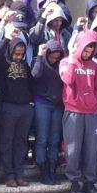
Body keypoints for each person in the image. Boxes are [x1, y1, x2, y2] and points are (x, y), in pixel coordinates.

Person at [60, 31, 97, 193]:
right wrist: (72, 59)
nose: (87, 53)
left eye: (90, 51)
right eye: (85, 50)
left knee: (92, 150)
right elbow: (68, 80)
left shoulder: (95, 66)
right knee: (73, 149)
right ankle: (74, 183)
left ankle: (89, 183)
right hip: (73, 112)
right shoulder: (66, 62)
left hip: (93, 113)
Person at [0, 34, 34, 187]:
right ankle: (9, 175)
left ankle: (19, 173)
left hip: (25, 108)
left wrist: (30, 103)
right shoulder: (3, 63)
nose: (18, 57)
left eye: (21, 54)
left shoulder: (25, 65)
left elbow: (32, 83)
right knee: (7, 141)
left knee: (21, 142)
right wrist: (7, 37)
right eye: (16, 53)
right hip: (8, 107)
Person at [31, 41, 65, 185]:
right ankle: (43, 169)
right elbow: (35, 74)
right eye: (52, 57)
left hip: (57, 105)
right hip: (42, 103)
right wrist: (40, 56)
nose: (54, 60)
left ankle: (52, 169)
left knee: (54, 140)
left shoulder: (61, 65)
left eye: (57, 57)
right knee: (42, 138)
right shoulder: (39, 61)